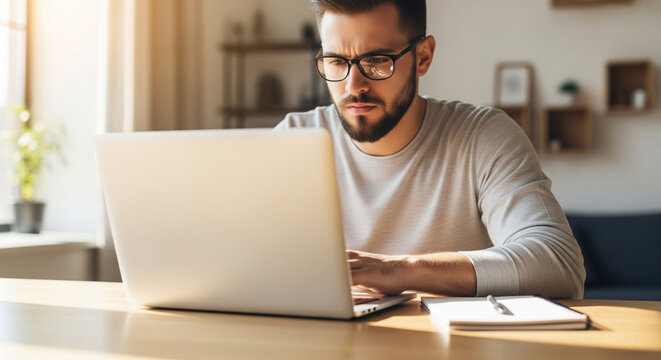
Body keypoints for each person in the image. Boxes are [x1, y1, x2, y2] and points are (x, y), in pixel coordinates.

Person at [274, 0, 585, 298]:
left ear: (423, 57)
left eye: (378, 61)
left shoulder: (482, 136)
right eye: (337, 61)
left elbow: (558, 262)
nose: (353, 85)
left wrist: (399, 271)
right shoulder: (292, 141)